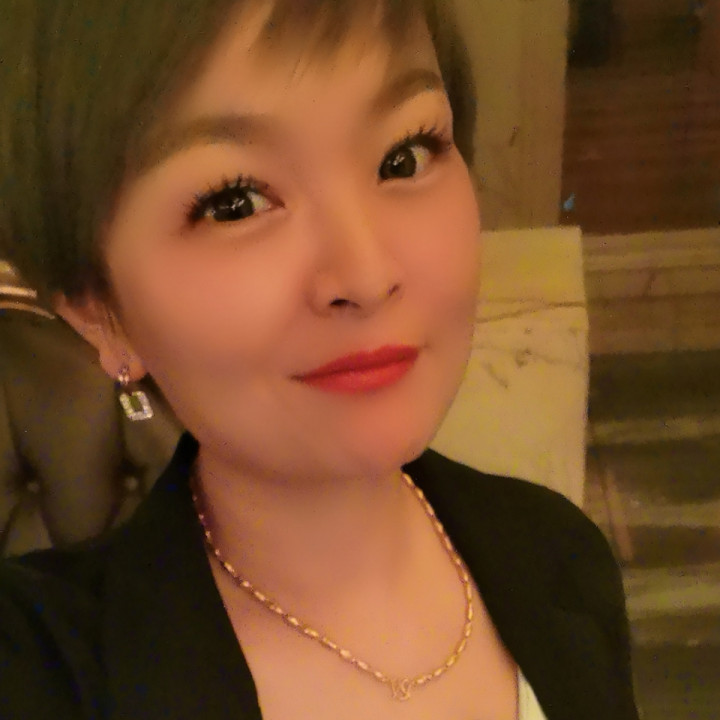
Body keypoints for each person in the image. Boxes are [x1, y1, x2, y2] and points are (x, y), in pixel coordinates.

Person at [0, 1, 639, 718]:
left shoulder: (560, 556)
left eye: (404, 156)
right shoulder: (38, 674)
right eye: (235, 202)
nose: (367, 275)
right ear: (99, 310)